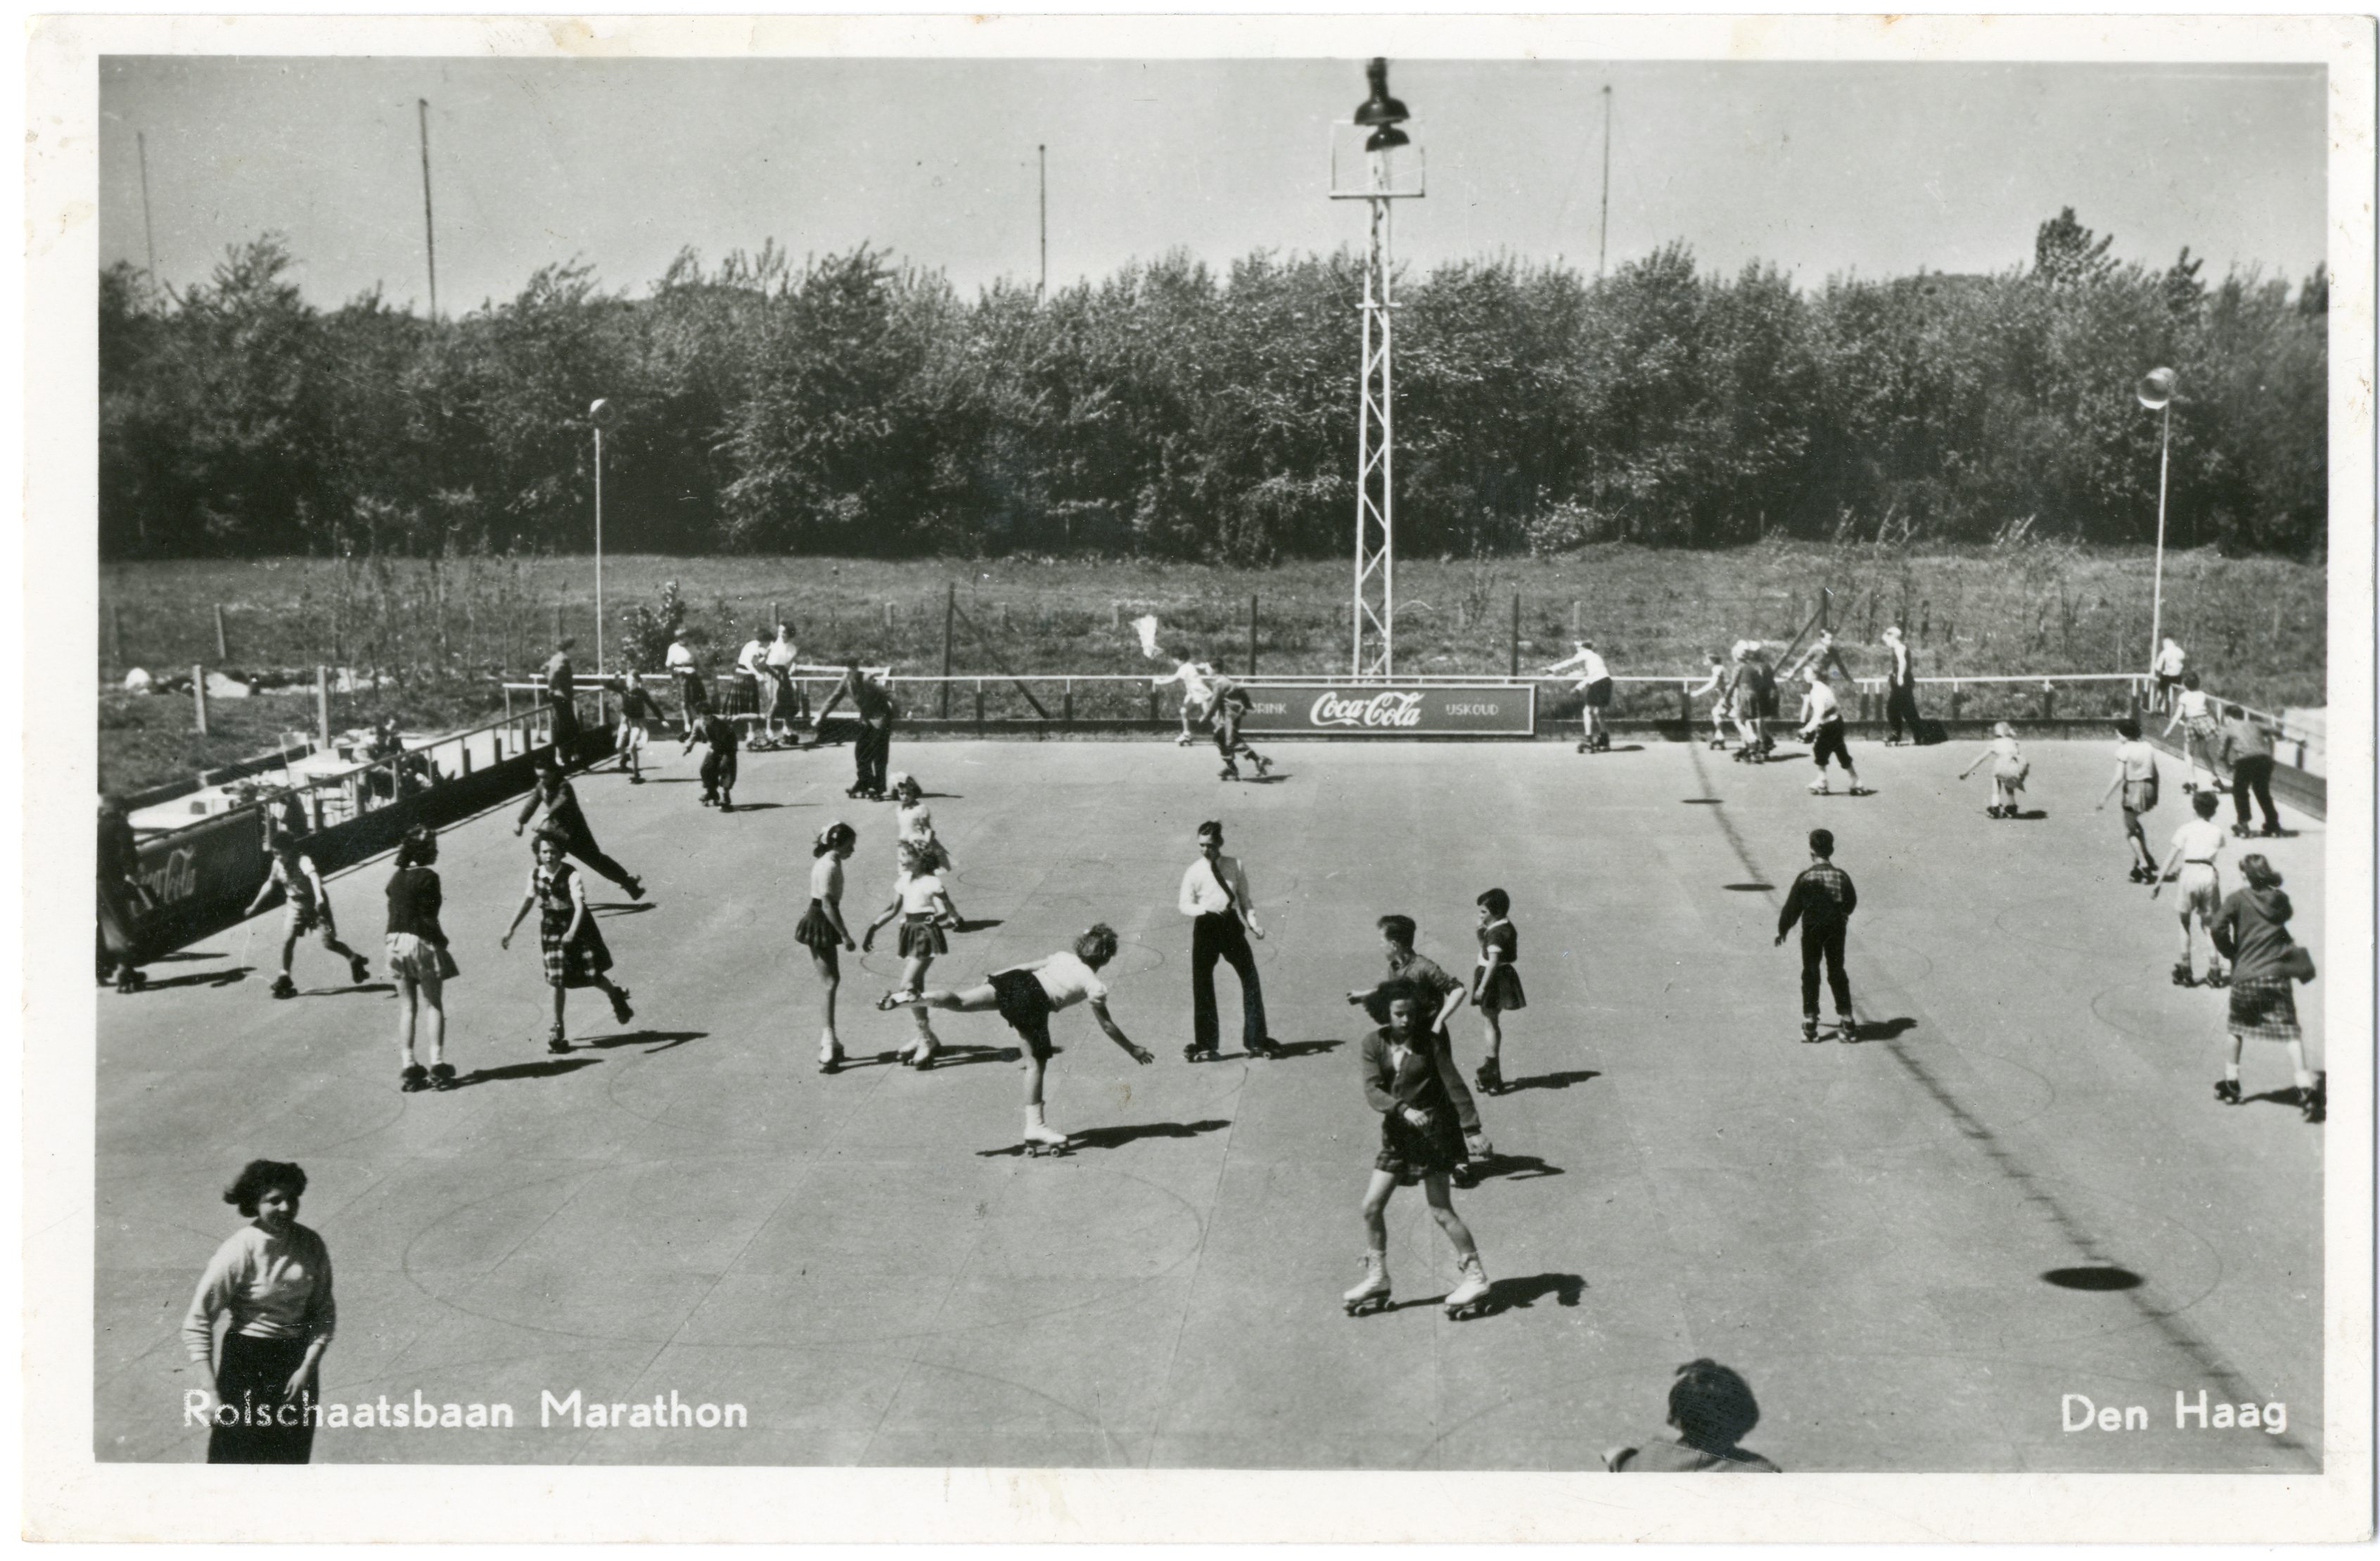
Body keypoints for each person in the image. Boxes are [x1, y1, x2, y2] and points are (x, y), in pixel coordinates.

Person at [895, 924, 1156, 1154]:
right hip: (1033, 1002)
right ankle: (1035, 1126)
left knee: (961, 1001)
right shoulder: (1094, 984)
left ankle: (917, 998)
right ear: (1107, 958)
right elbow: (1107, 1025)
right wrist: (1132, 1049)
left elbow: (1026, 967)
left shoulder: (1062, 957)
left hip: (1014, 982)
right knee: (1035, 1064)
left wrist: (997, 976)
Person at [1343, 979, 1493, 1319]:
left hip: (1434, 1136)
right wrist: (1403, 1110)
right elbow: (1372, 1090)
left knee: (1440, 1210)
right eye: (1398, 1014)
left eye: (1411, 1014)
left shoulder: (1430, 1043)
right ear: (1385, 1013)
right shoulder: (1373, 1044)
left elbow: (1455, 1085)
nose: (1406, 1021)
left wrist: (1472, 1130)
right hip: (1397, 1136)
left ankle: (1476, 1277)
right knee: (1371, 1206)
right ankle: (1378, 1277)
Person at [180, 1159, 334, 1464]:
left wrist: (307, 1367)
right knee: (237, 1464)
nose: (286, 1207)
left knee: (290, 1462)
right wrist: (211, 1394)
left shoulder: (311, 1244)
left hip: (296, 1365)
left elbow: (323, 1313)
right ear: (254, 1203)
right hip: (247, 1364)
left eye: (292, 1198)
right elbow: (196, 1323)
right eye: (274, 1200)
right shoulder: (239, 1249)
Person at [1347, 915, 1492, 1182]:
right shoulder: (1395, 965)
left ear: (1394, 943)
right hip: (1406, 1035)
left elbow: (1457, 989)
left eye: (1382, 940)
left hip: (1430, 1039)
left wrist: (1439, 1020)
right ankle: (1417, 1156)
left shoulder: (1423, 967)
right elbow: (1394, 994)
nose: (1380, 945)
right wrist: (1366, 995)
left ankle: (1460, 1161)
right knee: (1411, 1093)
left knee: (1444, 1097)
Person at [2209, 855, 2323, 1123]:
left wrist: (2231, 953)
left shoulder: (2237, 899)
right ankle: (2305, 1087)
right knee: (2290, 1031)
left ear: (2247, 876)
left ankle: (2232, 1082)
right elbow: (2286, 916)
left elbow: (2216, 927)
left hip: (2246, 975)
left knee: (2237, 1028)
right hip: (2276, 976)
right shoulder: (2279, 900)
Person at [502, 833, 635, 1053]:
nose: (549, 856)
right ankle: (558, 1027)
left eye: (554, 852)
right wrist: (511, 928)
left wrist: (573, 931)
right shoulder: (536, 875)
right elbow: (528, 901)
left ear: (561, 853)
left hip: (576, 925)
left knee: (592, 975)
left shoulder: (571, 874)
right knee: (557, 979)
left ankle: (615, 995)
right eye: (544, 852)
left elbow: (579, 905)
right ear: (538, 853)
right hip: (551, 929)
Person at [1179, 821, 1277, 1062]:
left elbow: (1245, 899)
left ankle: (1256, 1039)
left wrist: (1253, 924)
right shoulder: (1194, 871)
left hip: (1231, 927)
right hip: (1206, 927)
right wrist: (1206, 909)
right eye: (1201, 846)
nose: (1205, 850)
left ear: (1220, 843)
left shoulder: (1235, 865)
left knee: (1250, 978)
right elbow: (1184, 905)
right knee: (1202, 984)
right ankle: (1205, 1043)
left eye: (1210, 845)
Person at [864, 841, 959, 1068]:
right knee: (916, 987)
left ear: (919, 858)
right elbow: (892, 909)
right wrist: (873, 928)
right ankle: (926, 1037)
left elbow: (949, 911)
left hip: (925, 935)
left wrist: (935, 921)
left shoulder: (932, 883)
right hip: (909, 934)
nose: (901, 859)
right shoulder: (903, 882)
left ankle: (925, 1038)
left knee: (907, 984)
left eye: (905, 855)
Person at [244, 833, 373, 1000]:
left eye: (280, 853)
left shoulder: (302, 860)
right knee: (287, 940)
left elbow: (314, 877)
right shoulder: (277, 864)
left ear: (290, 850)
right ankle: (285, 976)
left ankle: (353, 958)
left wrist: (319, 897)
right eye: (275, 853)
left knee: (328, 943)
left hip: (313, 903)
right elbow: (270, 882)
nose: (278, 857)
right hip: (294, 904)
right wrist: (255, 905)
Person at [1603, 1360, 1781, 1472]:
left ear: (1676, 1418)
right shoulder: (1762, 1471)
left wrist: (1618, 1456)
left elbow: (1621, 1463)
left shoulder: (1652, 1456)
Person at [385, 826, 457, 1093]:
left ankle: (409, 1065)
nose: (436, 851)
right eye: (433, 846)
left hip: (393, 943)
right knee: (433, 1003)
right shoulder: (428, 877)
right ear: (424, 851)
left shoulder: (396, 877)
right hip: (419, 942)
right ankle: (437, 1064)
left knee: (407, 1007)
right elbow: (429, 916)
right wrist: (441, 940)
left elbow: (390, 896)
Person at [514, 755, 645, 898]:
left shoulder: (564, 786)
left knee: (596, 861)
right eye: (539, 777)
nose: (542, 781)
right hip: (555, 832)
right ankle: (549, 889)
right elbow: (532, 803)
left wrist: (546, 815)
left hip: (575, 833)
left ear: (555, 773)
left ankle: (628, 883)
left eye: (545, 777)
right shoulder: (542, 786)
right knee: (541, 850)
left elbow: (561, 801)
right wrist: (521, 821)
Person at [1775, 827, 1857, 1043]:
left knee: (1811, 972)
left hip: (1812, 930)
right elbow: (1851, 902)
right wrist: (1842, 914)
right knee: (1836, 971)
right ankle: (1847, 1019)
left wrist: (1783, 929)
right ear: (1831, 850)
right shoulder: (1841, 876)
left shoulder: (1806, 877)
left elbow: (1792, 908)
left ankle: (1811, 1022)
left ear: (1811, 851)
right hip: (1836, 929)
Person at [795, 823, 860, 1073]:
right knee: (830, 983)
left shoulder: (830, 859)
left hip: (821, 919)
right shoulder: (830, 865)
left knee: (831, 981)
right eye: (849, 845)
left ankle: (831, 1039)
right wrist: (845, 935)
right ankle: (827, 1042)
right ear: (837, 844)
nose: (852, 850)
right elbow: (827, 905)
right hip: (821, 920)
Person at [2151, 790, 2230, 988]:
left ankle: (2186, 969)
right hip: (2208, 874)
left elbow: (2172, 856)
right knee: (2208, 924)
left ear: (2194, 808)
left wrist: (2159, 881)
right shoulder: (2217, 831)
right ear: (2213, 811)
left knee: (2184, 922)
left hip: (2189, 874)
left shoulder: (2185, 829)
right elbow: (2215, 851)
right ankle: (2214, 970)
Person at [813, 659, 897, 801]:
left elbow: (889, 693)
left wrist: (899, 712)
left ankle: (879, 787)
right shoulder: (846, 681)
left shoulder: (867, 678)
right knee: (860, 751)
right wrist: (820, 715)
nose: (846, 674)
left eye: (849, 671)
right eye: (844, 671)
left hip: (881, 718)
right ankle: (865, 781)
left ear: (856, 669)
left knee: (879, 754)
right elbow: (834, 698)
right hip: (866, 719)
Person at [1471, 888, 1526, 1095]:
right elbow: (1487, 949)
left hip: (1492, 979)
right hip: (1502, 976)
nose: (1480, 915)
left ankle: (1492, 1073)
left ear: (1495, 912)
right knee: (1491, 1022)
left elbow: (1492, 962)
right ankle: (1492, 1073)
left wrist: (1482, 988)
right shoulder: (1503, 926)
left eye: (1484, 912)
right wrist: (1480, 932)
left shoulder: (1495, 933)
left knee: (1490, 1023)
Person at [2096, 718, 2163, 884]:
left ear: (2125, 735)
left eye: (2118, 734)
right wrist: (2155, 793)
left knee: (2131, 830)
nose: (2118, 737)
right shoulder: (2148, 747)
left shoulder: (2124, 750)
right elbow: (2156, 773)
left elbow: (2119, 777)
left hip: (2133, 790)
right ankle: (2143, 861)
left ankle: (2144, 862)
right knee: (2135, 824)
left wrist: (2104, 798)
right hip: (2149, 787)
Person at [96, 794, 148, 992]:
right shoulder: (120, 825)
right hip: (111, 881)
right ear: (122, 810)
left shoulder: (94, 825)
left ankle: (100, 970)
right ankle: (126, 971)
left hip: (93, 881)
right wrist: (132, 874)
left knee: (100, 925)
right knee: (121, 922)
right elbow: (127, 853)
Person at [1796, 667, 1869, 796]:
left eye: (1806, 673)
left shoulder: (1816, 692)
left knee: (1819, 750)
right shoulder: (1823, 687)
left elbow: (1819, 714)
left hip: (1829, 725)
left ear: (1814, 675)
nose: (1804, 675)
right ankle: (1856, 781)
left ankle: (1823, 782)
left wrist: (1807, 729)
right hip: (1837, 722)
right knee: (1840, 751)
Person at [2220, 703, 2284, 838]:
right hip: (2265, 760)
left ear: (2228, 717)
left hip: (2245, 761)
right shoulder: (2254, 724)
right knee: (2262, 792)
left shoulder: (2229, 728)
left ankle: (2243, 824)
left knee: (2240, 791)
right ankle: (2273, 824)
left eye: (2225, 718)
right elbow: (2276, 730)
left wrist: (2228, 765)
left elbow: (2222, 753)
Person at [1544, 639, 1614, 753]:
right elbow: (1591, 675)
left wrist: (1551, 669)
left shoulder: (1586, 654)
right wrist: (1579, 687)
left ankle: (1589, 740)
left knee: (1587, 712)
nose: (1577, 649)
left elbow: (1570, 662)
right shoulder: (1595, 658)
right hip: (1607, 682)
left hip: (1598, 683)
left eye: (1578, 647)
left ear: (1583, 648)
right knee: (1598, 712)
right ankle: (1604, 739)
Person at [2162, 671, 2225, 794]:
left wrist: (2168, 730)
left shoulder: (2184, 697)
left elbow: (2178, 715)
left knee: (2189, 753)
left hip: (2192, 724)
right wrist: (2216, 724)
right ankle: (2215, 777)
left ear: (2185, 685)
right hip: (2206, 722)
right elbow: (2210, 710)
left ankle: (2192, 781)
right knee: (2204, 752)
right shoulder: (2202, 695)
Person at [1957, 721, 2030, 818]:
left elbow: (1981, 759)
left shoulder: (1994, 743)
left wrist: (1967, 771)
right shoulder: (2013, 742)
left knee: (1997, 777)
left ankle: (1995, 806)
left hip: (2002, 767)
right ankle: (2012, 804)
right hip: (2016, 768)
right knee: (2008, 779)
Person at [1208, 677, 1272, 782]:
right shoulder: (1224, 681)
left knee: (1229, 740)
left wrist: (1206, 716)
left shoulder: (1221, 682)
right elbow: (1240, 690)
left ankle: (1258, 759)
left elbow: (1214, 703)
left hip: (1230, 716)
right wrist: (1247, 704)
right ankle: (1232, 767)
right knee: (1220, 739)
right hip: (1227, 716)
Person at [1153, 651, 1219, 746]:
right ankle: (1187, 734)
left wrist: (1159, 682)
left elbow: (1173, 679)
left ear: (1180, 659)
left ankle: (1225, 734)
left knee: (1209, 714)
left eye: (1174, 659)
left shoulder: (1185, 667)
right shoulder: (1188, 666)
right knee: (1184, 711)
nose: (1173, 661)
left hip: (1200, 691)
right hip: (1192, 693)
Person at [684, 706, 741, 812]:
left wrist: (758, 717)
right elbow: (694, 736)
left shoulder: (722, 720)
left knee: (726, 767)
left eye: (710, 718)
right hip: (715, 746)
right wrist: (688, 747)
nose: (708, 720)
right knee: (706, 768)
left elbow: (737, 718)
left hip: (729, 746)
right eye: (705, 718)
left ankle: (726, 795)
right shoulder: (697, 723)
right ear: (699, 717)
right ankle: (712, 792)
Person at [613, 671, 660, 783]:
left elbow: (652, 706)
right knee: (619, 746)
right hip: (625, 721)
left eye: (634, 681)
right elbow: (614, 685)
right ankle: (624, 759)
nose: (631, 683)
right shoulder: (623, 690)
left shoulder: (641, 693)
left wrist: (662, 719)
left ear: (638, 682)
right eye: (629, 680)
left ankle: (636, 773)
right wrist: (616, 676)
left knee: (632, 746)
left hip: (637, 722)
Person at [762, 623, 804, 745]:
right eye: (779, 631)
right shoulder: (773, 645)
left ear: (789, 633)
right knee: (775, 700)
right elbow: (765, 660)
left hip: (783, 673)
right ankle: (768, 730)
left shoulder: (792, 648)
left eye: (784, 632)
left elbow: (789, 664)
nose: (781, 634)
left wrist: (791, 676)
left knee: (788, 700)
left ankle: (786, 729)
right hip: (771, 672)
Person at [1879, 624, 1921, 746]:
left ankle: (1896, 735)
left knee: (1892, 708)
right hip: (1903, 681)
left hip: (1902, 682)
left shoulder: (1899, 648)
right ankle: (1917, 735)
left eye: (1887, 641)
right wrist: (1893, 672)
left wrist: (1900, 676)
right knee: (1908, 710)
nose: (1886, 644)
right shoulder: (1900, 647)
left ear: (1892, 638)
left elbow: (1903, 663)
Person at [541, 637, 580, 759]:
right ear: (569, 648)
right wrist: (552, 686)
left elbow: (543, 669)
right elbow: (557, 672)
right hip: (562, 696)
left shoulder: (554, 658)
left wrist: (551, 683)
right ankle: (564, 755)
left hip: (559, 695)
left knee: (566, 724)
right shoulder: (564, 659)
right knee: (568, 726)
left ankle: (565, 754)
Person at [1727, 643, 1765, 762]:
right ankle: (1748, 746)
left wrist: (1726, 697)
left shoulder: (1738, 667)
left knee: (1738, 721)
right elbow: (1760, 683)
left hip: (1744, 696)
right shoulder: (1752, 667)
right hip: (1754, 696)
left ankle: (1751, 742)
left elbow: (1733, 684)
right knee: (1747, 720)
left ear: (1736, 656)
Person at [1687, 654, 1729, 750]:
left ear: (1712, 660)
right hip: (1726, 695)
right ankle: (1720, 737)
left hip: (1728, 695)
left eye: (1707, 660)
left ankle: (1754, 739)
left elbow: (1712, 684)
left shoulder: (1717, 669)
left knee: (1737, 718)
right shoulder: (1720, 667)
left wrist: (1698, 692)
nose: (1705, 662)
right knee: (1717, 713)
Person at [665, 627, 703, 732]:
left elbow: (699, 662)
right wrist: (676, 671)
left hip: (692, 676)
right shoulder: (673, 648)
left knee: (694, 701)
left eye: (687, 637)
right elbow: (668, 664)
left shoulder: (692, 647)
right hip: (681, 675)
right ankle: (687, 726)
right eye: (682, 637)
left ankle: (698, 725)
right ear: (679, 638)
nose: (686, 639)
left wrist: (702, 672)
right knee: (684, 702)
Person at [734, 625, 768, 729]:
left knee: (750, 707)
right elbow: (748, 664)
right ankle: (740, 732)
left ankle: (749, 732)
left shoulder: (754, 646)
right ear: (765, 640)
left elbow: (755, 663)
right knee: (744, 707)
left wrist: (765, 658)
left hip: (746, 677)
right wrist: (758, 675)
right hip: (743, 676)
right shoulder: (754, 646)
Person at [2152, 636, 2188, 712]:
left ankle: (2157, 708)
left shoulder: (2164, 652)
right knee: (2175, 695)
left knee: (2161, 692)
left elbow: (2158, 667)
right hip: (2177, 677)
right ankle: (2172, 710)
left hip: (2167, 676)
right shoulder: (2180, 652)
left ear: (2166, 643)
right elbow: (2184, 665)